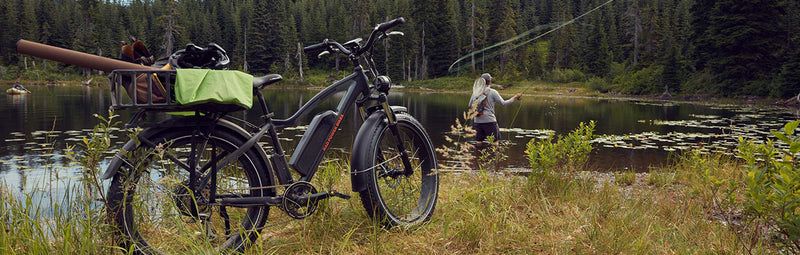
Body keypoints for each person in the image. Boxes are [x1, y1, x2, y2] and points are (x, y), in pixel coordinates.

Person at [468, 73, 522, 144]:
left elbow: (470, 105)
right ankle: (494, 155)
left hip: (477, 121)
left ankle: (477, 154)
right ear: (489, 81)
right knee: (495, 143)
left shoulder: (475, 92)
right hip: (489, 121)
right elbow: (503, 103)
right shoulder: (493, 92)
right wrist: (515, 97)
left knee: (479, 143)